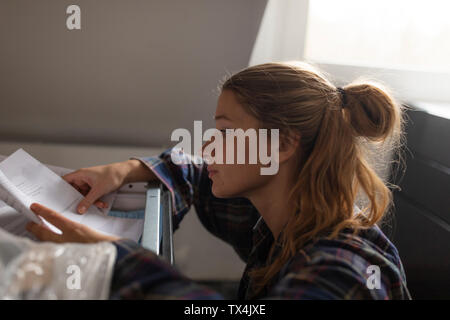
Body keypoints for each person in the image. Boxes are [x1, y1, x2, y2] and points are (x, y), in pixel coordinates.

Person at [26, 61, 411, 299]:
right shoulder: (278, 217)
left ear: (282, 144)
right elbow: (194, 172)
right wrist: (124, 170)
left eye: (226, 133)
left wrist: (120, 259)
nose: (209, 147)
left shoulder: (341, 271)